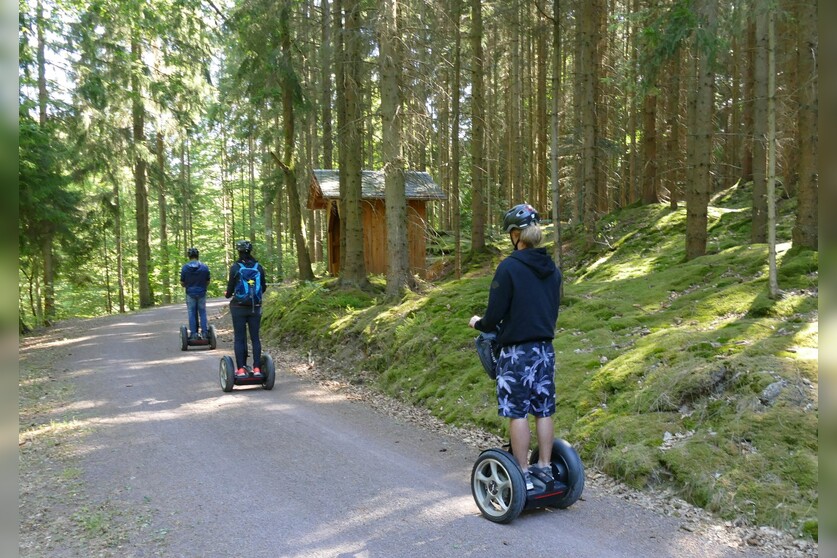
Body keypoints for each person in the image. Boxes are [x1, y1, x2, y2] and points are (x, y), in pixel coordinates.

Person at [468, 203, 562, 491]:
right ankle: (545, 468)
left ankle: (521, 472)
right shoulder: (553, 270)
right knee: (543, 410)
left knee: (517, 412)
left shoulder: (509, 268)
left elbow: (494, 315)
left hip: (517, 354)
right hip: (545, 351)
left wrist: (477, 323)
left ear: (516, 235)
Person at [224, 240, 268, 379]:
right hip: (255, 307)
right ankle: (256, 368)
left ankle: (241, 370)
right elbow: (263, 288)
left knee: (239, 338)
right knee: (255, 338)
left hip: (238, 307)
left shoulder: (235, 267)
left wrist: (228, 294)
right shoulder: (258, 267)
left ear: (239, 251)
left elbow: (230, 290)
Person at [180, 247, 211, 340]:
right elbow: (208, 281)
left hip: (190, 293)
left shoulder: (185, 268)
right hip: (201, 292)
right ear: (198, 256)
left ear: (189, 256)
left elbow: (182, 282)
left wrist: (188, 285)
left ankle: (193, 334)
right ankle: (205, 333)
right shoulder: (204, 267)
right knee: (202, 312)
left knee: (192, 313)